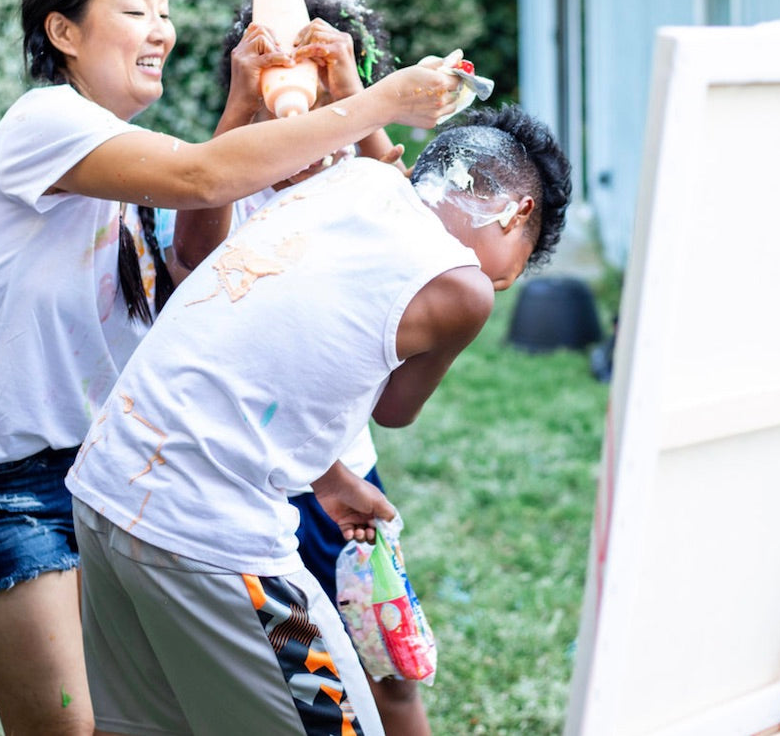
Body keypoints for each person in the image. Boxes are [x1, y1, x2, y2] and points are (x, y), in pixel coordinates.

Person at [0, 0, 463, 736]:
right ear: (63, 32)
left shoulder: (132, 167)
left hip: (100, 478)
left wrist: (329, 478)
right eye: (136, 9)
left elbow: (189, 314)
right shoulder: (45, 123)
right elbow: (204, 175)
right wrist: (379, 101)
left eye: (165, 11)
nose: (162, 28)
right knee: (68, 728)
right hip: (1, 488)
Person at [66, 104, 572, 736]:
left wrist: (330, 480)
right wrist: (478, 290)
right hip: (209, 528)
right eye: (518, 266)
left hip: (106, 482)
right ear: (520, 212)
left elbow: (257, 358)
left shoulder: (347, 182)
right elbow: (394, 409)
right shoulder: (461, 287)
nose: (502, 281)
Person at [172, 0, 429, 735]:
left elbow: (420, 241)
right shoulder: (231, 172)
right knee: (294, 678)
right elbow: (192, 257)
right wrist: (240, 112)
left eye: (320, 81)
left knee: (387, 663)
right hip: (254, 486)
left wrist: (362, 99)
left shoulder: (363, 175)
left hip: (343, 476)